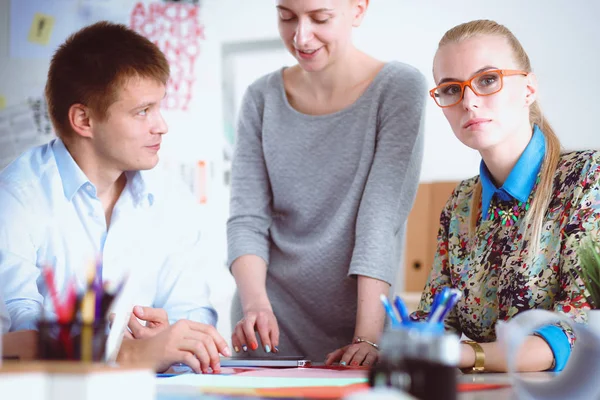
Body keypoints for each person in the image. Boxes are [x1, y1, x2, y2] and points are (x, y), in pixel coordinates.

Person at [0, 21, 230, 373]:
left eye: (158, 107)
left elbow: (194, 316)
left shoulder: (171, 197)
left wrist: (170, 336)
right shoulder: (16, 198)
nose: (161, 125)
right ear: (84, 120)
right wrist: (119, 349)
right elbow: (17, 336)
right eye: (142, 112)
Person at [227, 0, 426, 366]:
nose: (301, 36)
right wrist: (255, 305)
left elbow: (379, 220)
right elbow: (246, 219)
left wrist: (368, 336)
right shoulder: (261, 98)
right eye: (286, 16)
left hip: (360, 325)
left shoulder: (399, 87)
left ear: (359, 10)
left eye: (320, 18)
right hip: (269, 326)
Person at [412, 19, 600, 373]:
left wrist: (466, 355)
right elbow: (435, 318)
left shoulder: (588, 178)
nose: (468, 101)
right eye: (451, 89)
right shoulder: (461, 202)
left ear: (529, 89)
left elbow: (579, 326)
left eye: (487, 80)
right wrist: (399, 343)